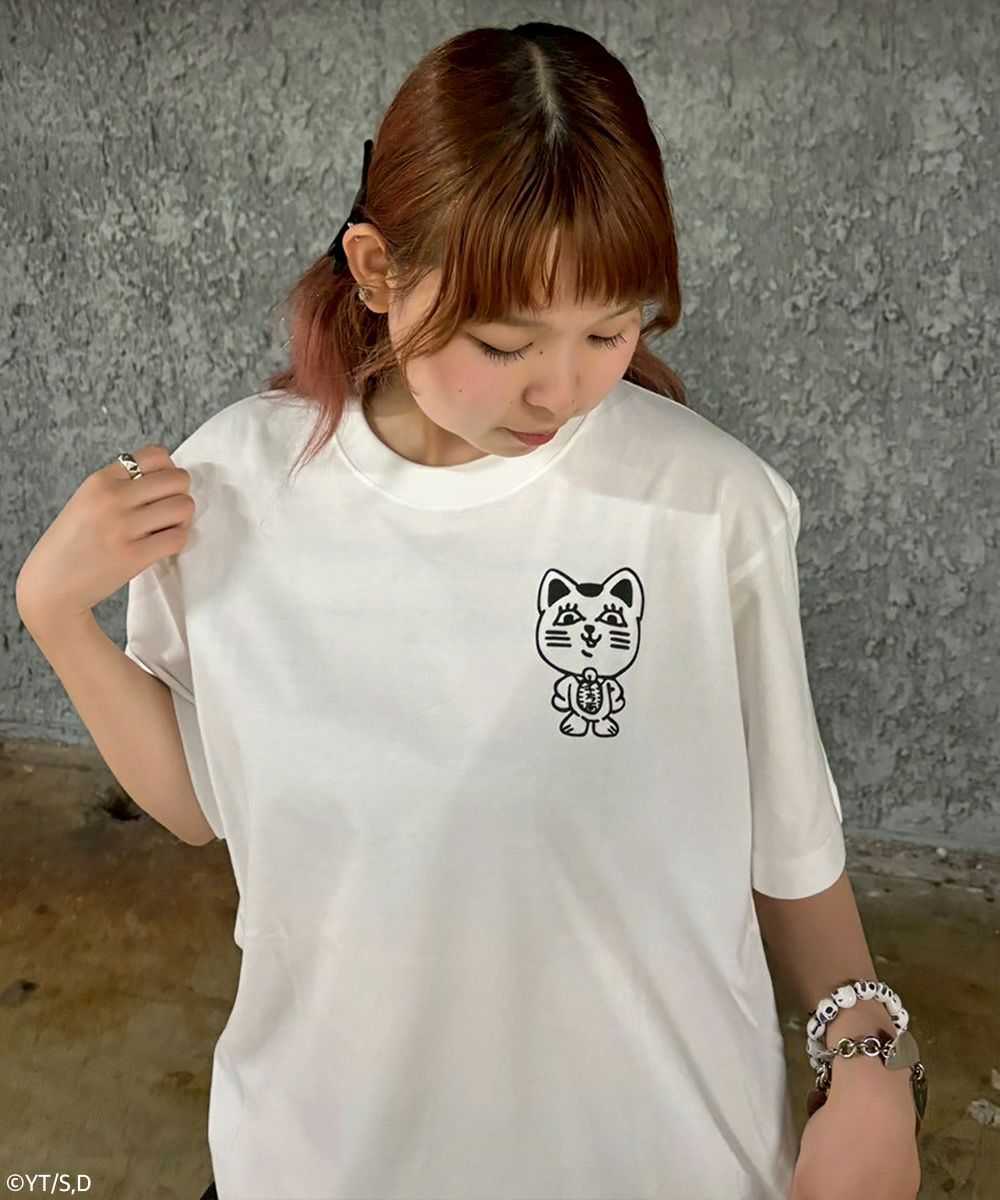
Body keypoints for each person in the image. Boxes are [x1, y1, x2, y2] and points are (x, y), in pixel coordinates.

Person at [17, 21, 923, 1200]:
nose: (564, 389)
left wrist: (867, 1063)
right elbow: (203, 803)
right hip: (327, 1159)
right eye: (505, 343)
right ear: (377, 269)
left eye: (609, 330)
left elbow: (788, 839)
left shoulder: (712, 508)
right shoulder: (235, 488)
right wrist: (54, 611)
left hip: (660, 1160)